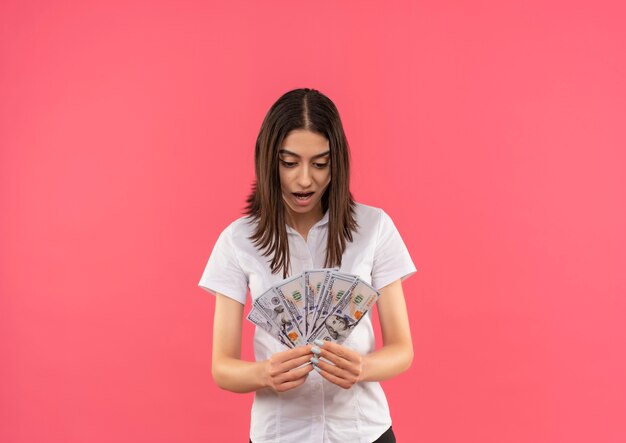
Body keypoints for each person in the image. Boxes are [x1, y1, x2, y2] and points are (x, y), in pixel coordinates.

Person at [198, 88, 417, 443]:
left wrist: (363, 368)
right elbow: (222, 367)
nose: (304, 179)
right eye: (289, 163)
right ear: (269, 160)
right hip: (280, 434)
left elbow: (402, 349)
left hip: (363, 432)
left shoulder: (374, 228)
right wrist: (265, 373)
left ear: (338, 162)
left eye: (320, 163)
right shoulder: (237, 240)